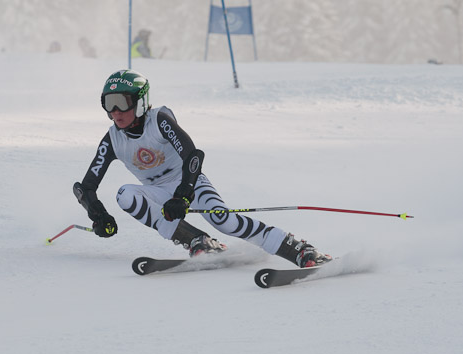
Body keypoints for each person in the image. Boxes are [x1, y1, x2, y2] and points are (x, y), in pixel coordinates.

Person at [73, 70, 331, 267]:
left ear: (140, 102)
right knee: (125, 196)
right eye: (109, 104)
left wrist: (184, 194)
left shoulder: (159, 120)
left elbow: (192, 155)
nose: (116, 111)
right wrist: (97, 214)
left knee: (224, 220)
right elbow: (85, 188)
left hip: (189, 182)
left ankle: (298, 249)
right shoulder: (113, 139)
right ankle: (197, 240)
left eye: (121, 102)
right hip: (158, 191)